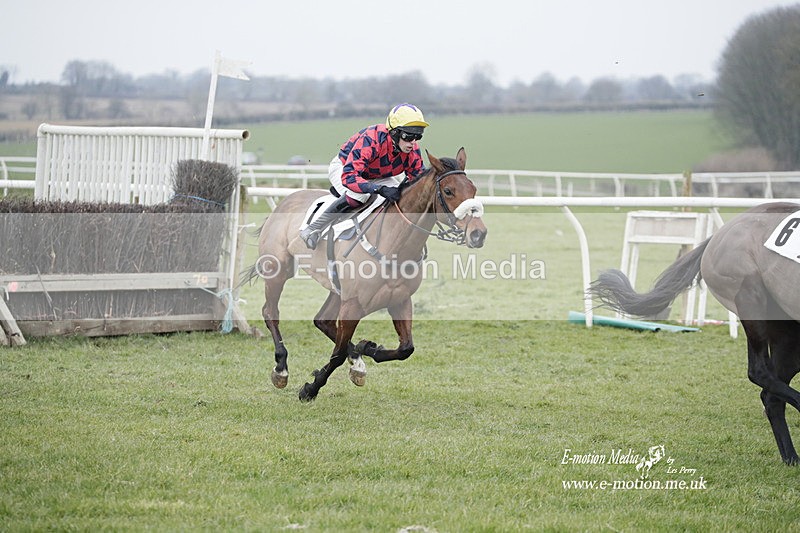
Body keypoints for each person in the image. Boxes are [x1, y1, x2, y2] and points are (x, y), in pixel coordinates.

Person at [299, 103, 429, 250]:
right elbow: (350, 176)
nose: (413, 142)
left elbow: (418, 179)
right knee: (360, 196)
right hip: (345, 169)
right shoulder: (372, 139)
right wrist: (379, 189)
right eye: (408, 136)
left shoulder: (412, 149)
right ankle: (312, 229)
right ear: (395, 133)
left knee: (400, 195)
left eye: (418, 136)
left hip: (376, 175)